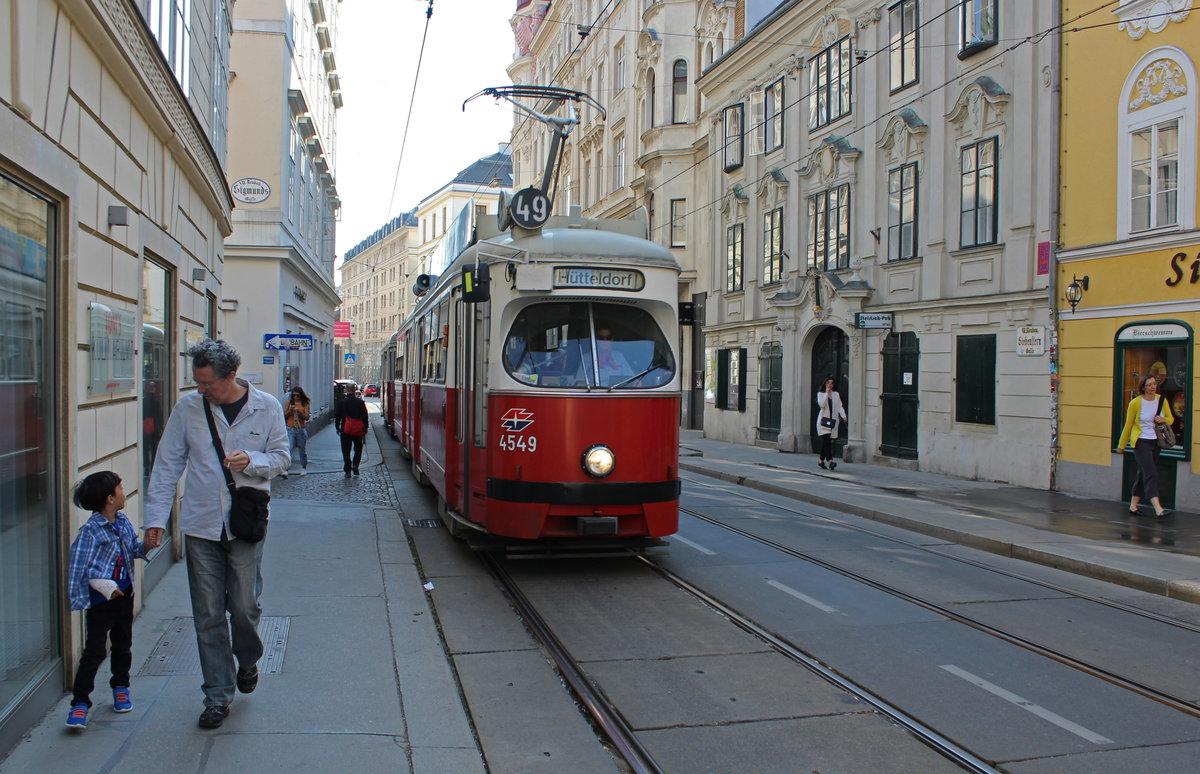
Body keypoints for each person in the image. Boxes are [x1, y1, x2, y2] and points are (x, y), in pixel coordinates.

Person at [144, 339, 289, 729]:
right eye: (197, 382)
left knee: (244, 607)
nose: (200, 390)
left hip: (245, 523)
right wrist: (155, 519)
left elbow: (282, 458)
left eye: (208, 383)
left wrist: (252, 461)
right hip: (200, 524)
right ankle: (217, 696)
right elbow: (166, 465)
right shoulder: (188, 409)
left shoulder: (268, 406)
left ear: (231, 376)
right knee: (207, 614)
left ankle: (248, 659)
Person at [65, 472, 146, 729]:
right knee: (95, 651)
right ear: (110, 498)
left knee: (123, 644)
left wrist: (148, 546)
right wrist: (102, 588)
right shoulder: (90, 532)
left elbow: (133, 548)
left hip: (125, 596)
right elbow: (79, 567)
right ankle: (80, 703)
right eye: (120, 489)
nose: (124, 492)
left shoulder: (122, 521)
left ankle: (121, 687)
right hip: (102, 603)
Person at [1117, 374, 1175, 518]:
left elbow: (1171, 419)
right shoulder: (1136, 403)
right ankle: (1158, 508)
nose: (1152, 387)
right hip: (1141, 442)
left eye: (1154, 384)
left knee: (1143, 473)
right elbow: (1128, 425)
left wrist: (1163, 419)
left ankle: (1133, 506)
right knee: (1151, 473)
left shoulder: (1161, 400)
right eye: (1149, 384)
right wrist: (1121, 445)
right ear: (1143, 387)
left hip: (1156, 442)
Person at [336, 386, 369, 476]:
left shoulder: (342, 403)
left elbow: (337, 416)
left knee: (346, 450)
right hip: (357, 429)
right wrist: (365, 427)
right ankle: (355, 465)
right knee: (358, 448)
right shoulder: (360, 402)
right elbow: (365, 415)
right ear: (354, 391)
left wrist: (337, 427)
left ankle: (347, 470)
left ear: (346, 391)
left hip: (345, 429)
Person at [816, 376, 847, 470]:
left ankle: (821, 461)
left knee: (826, 442)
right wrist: (826, 394)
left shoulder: (836, 395)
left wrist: (844, 415)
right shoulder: (821, 394)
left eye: (831, 383)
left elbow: (839, 406)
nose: (830, 384)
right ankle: (830, 461)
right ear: (825, 384)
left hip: (832, 422)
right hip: (823, 422)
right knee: (827, 441)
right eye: (828, 382)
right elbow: (822, 405)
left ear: (833, 385)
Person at [283, 386, 312, 477]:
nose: (295, 397)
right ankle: (286, 468)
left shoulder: (305, 404)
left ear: (301, 395)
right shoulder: (289, 403)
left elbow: (306, 417)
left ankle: (303, 467)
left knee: (302, 449)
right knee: (289, 448)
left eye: (297, 395)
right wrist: (290, 411)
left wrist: (299, 412)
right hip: (290, 428)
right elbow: (285, 415)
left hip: (300, 429)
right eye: (294, 395)